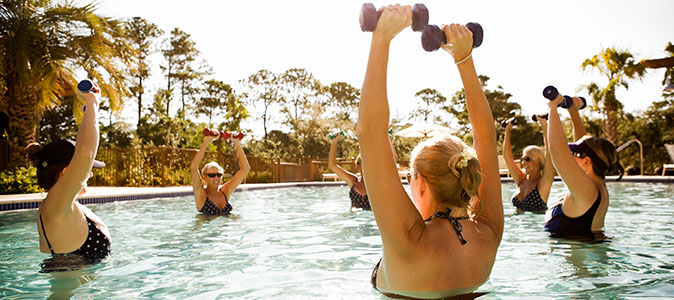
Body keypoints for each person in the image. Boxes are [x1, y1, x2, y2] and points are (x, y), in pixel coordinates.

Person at [358, 5, 503, 298]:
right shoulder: (487, 232)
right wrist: (464, 58)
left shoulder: (409, 240)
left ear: (420, 183)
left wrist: (382, 37)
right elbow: (486, 138)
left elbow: (371, 134)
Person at [27, 84, 109, 272]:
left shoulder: (62, 206)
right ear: (65, 172)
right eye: (87, 170)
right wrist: (93, 102)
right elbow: (85, 152)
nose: (89, 173)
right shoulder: (57, 206)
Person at [544, 94, 623, 239]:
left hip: (577, 259)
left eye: (574, 153)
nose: (570, 155)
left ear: (587, 162)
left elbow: (557, 150)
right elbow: (584, 148)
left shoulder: (586, 191)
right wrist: (573, 112)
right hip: (587, 255)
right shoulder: (595, 187)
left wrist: (553, 107)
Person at [190, 132, 250, 215]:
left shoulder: (225, 191)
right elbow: (194, 167)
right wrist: (208, 140)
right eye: (212, 175)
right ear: (204, 177)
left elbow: (245, 169)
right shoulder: (201, 194)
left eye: (219, 175)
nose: (216, 178)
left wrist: (236, 143)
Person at [503, 117, 554, 214]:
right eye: (522, 159)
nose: (523, 162)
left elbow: (549, 154)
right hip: (520, 226)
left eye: (527, 159)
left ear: (538, 161)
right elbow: (507, 157)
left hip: (536, 226)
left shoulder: (543, 183)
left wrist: (544, 125)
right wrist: (507, 130)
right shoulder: (521, 180)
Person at [328, 132, 371, 211]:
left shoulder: (376, 183)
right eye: (364, 163)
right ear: (358, 165)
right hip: (354, 220)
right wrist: (334, 142)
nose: (367, 166)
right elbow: (332, 165)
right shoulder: (353, 181)